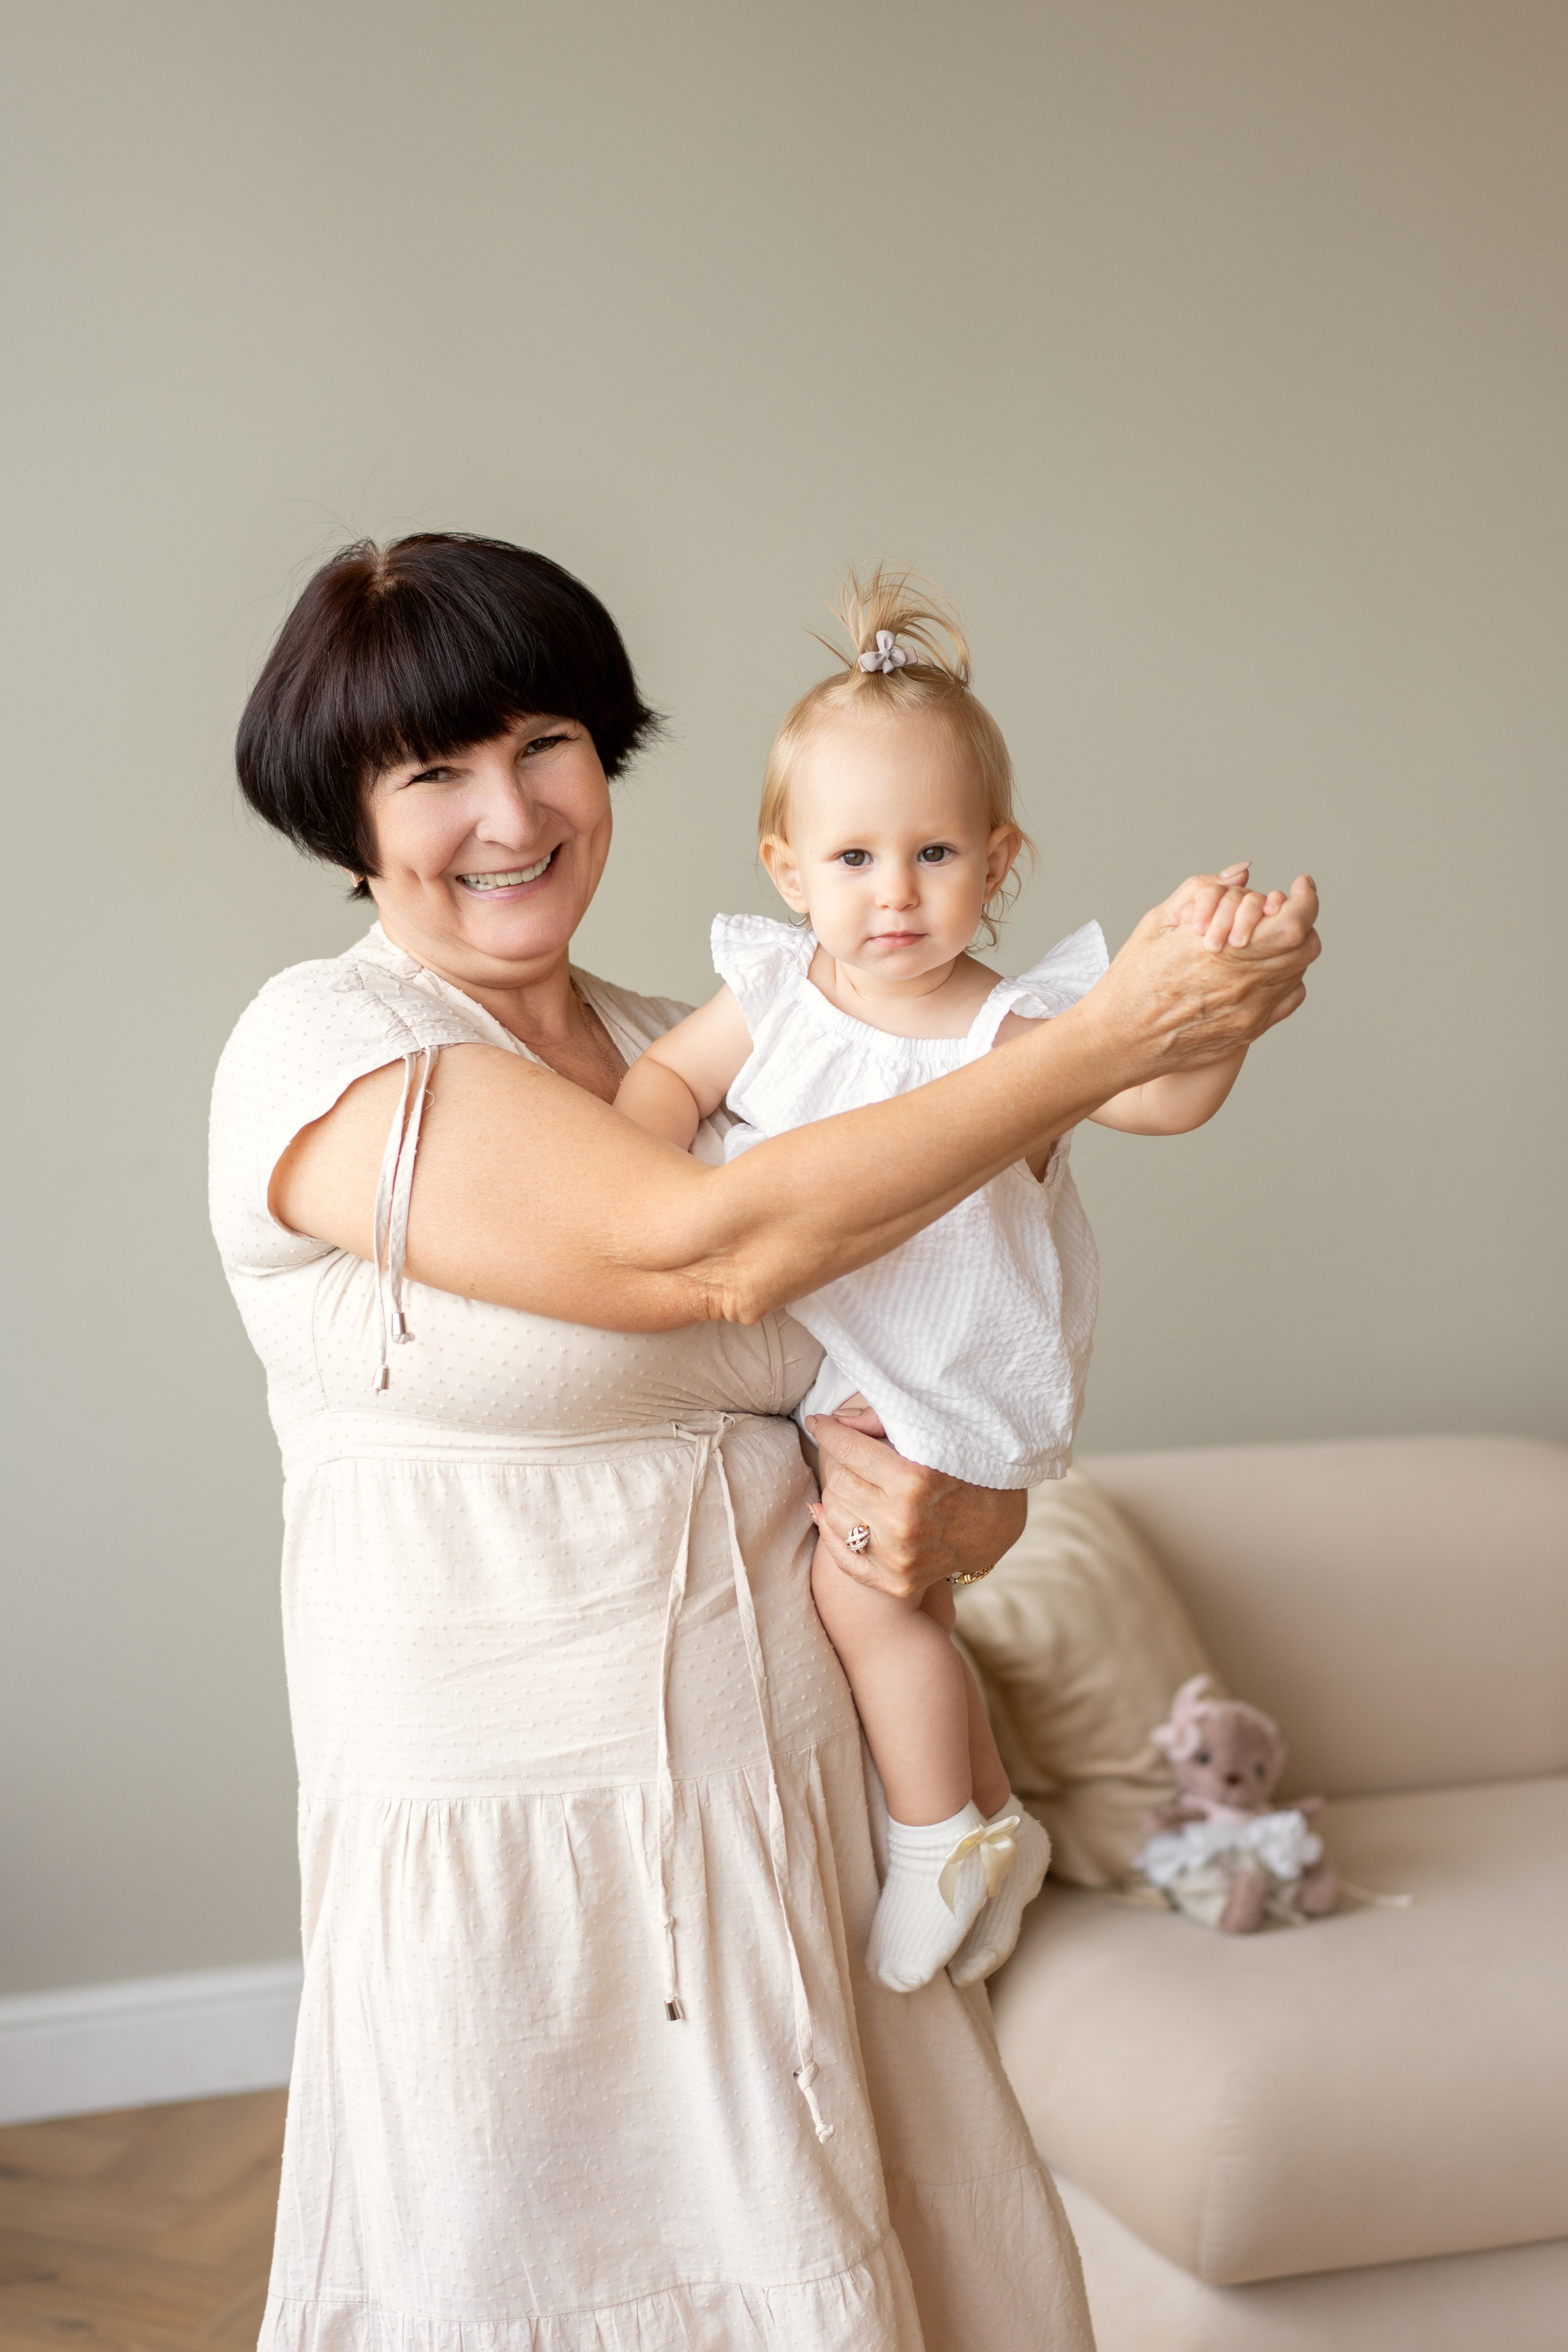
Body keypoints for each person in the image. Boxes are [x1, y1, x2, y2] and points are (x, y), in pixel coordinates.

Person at [211, 531, 1319, 2352]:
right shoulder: (327, 1048)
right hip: (524, 1862)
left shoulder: (731, 1048)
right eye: (432, 774)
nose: (507, 813)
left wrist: (959, 1528)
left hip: (800, 1816)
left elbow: (897, 1360)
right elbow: (705, 1252)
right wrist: (1092, 1034)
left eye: (544, 743)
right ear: (348, 816)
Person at [618, 570, 1280, 1997]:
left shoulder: (1014, 1020)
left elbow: (1157, 1105)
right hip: (838, 1351)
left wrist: (1217, 1018)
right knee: (905, 1611)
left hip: (947, 1355)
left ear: (998, 861)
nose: (893, 892)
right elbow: (668, 1079)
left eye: (932, 854)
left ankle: (936, 1840)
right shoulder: (779, 989)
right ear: (785, 870)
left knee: (866, 1607)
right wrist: (638, 1168)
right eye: (851, 859)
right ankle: (988, 1822)